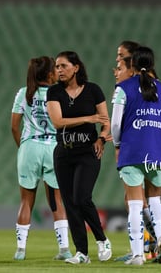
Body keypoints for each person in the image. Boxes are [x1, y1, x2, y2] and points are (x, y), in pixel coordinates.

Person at [113, 41, 161, 263]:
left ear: (132, 63)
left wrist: (118, 145)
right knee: (156, 200)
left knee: (134, 204)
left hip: (133, 150)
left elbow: (114, 125)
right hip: (158, 152)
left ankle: (138, 254)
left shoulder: (123, 88)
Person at [46, 51, 112, 264]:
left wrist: (101, 138)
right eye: (57, 67)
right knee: (70, 202)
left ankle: (102, 240)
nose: (59, 70)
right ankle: (82, 253)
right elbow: (57, 121)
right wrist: (87, 118)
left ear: (76, 67)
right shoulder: (54, 92)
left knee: (82, 197)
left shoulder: (93, 90)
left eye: (63, 66)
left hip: (88, 152)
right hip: (64, 153)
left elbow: (105, 121)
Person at [11, 56, 72, 261]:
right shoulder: (59, 93)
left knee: (26, 201)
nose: (57, 71)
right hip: (53, 148)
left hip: (30, 148)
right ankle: (64, 249)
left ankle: (20, 250)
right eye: (55, 68)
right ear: (49, 74)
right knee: (56, 200)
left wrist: (24, 147)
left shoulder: (24, 93)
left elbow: (14, 126)